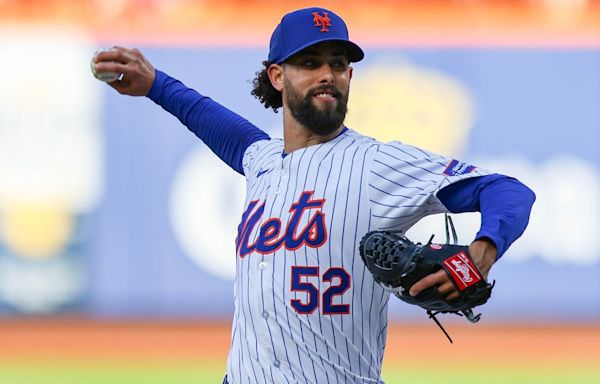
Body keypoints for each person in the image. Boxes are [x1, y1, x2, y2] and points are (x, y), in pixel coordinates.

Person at [92, 6, 535, 384]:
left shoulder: (377, 164)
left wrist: (484, 248)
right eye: (310, 62)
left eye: (338, 63)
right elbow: (216, 124)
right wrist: (155, 84)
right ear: (277, 76)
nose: (327, 74)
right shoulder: (261, 160)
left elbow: (508, 191)